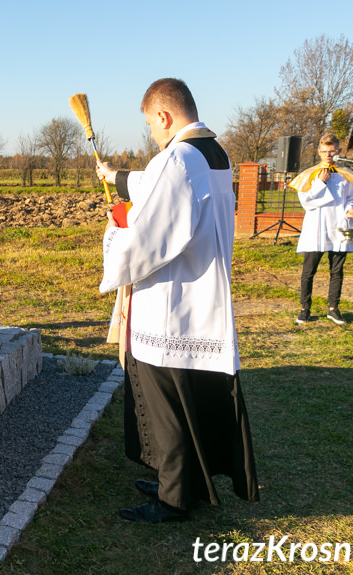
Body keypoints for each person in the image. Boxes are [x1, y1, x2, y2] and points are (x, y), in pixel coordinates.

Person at [95, 78, 258, 523]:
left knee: (166, 406)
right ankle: (184, 482)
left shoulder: (178, 157)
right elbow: (158, 187)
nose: (151, 133)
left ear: (165, 117)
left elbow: (149, 240)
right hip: (200, 300)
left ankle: (173, 500)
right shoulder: (213, 154)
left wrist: (116, 233)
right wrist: (117, 178)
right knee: (188, 402)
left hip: (170, 303)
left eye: (151, 124)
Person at [290, 134, 353, 325]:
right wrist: (321, 182)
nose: (328, 155)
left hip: (339, 226)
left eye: (332, 151)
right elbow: (306, 201)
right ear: (319, 152)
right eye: (324, 151)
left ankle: (333, 308)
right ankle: (305, 309)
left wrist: (351, 209)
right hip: (317, 227)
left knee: (337, 270)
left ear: (338, 151)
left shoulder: (346, 174)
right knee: (309, 271)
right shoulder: (311, 174)